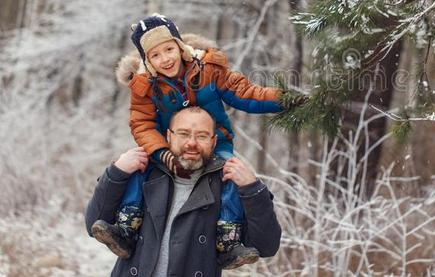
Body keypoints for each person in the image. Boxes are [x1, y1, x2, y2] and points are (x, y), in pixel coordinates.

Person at [91, 14, 304, 268]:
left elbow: (246, 94)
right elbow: (142, 124)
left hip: (217, 147)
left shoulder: (209, 70)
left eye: (169, 49)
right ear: (147, 61)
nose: (165, 59)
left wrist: (284, 99)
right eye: (155, 55)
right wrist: (156, 154)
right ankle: (127, 228)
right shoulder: (145, 87)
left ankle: (228, 241)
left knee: (229, 173)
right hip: (163, 150)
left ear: (180, 47)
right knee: (139, 164)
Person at [85, 107, 281, 276]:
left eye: (202, 136)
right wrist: (116, 173)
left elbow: (266, 246)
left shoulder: (227, 184)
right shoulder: (144, 172)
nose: (192, 143)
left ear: (213, 142)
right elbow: (93, 224)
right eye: (184, 133)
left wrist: (253, 189)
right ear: (169, 136)